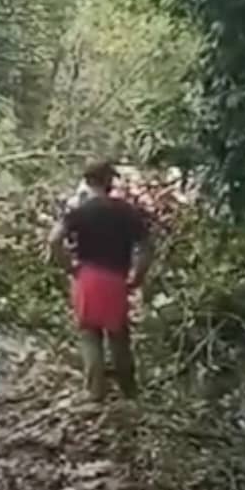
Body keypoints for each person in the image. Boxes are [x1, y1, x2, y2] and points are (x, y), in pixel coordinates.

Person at [49, 161, 154, 401]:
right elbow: (147, 247)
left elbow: (54, 240)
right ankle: (129, 391)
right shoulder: (127, 212)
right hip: (115, 279)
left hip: (87, 278)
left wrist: (69, 267)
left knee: (89, 333)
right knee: (118, 336)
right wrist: (137, 276)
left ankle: (95, 392)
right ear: (110, 181)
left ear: (87, 181)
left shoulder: (79, 212)